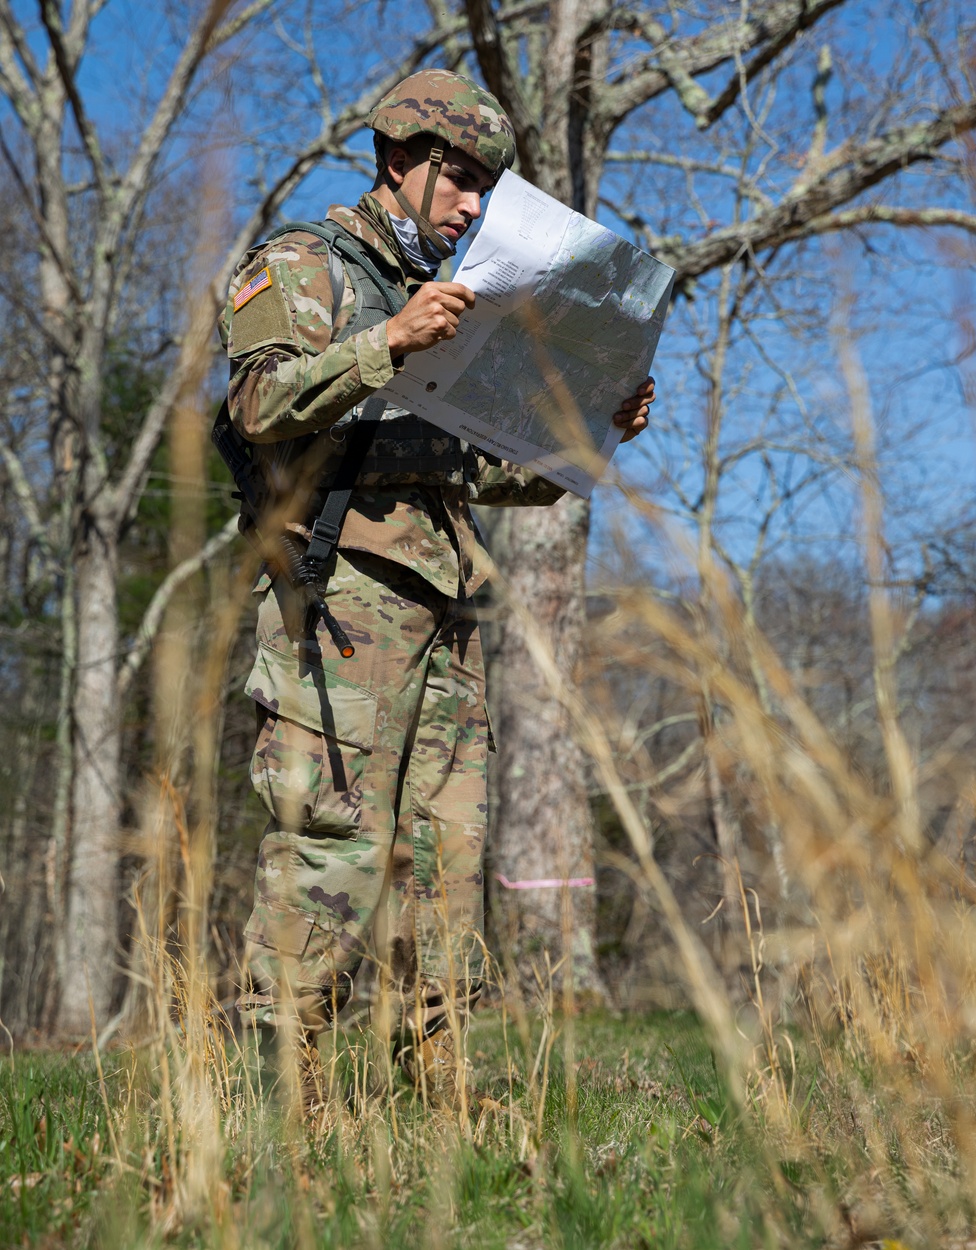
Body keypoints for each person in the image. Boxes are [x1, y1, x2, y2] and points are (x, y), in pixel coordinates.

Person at [218, 68, 655, 1108]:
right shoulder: (303, 264)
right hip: (336, 599)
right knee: (334, 839)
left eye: (481, 189)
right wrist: (387, 341)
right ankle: (277, 1088)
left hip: (449, 603)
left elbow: (479, 469)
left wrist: (589, 433)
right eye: (457, 179)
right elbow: (255, 403)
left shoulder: (463, 302)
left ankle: (442, 1085)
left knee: (444, 853)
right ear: (398, 162)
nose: (468, 205)